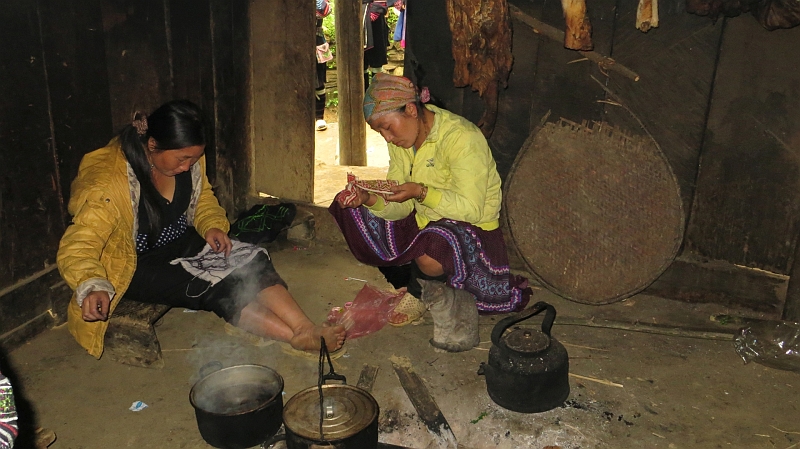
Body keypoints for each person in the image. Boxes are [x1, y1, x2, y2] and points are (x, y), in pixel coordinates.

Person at [57, 100, 345, 358]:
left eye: (193, 159)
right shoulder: (107, 183)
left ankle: (305, 328)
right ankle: (294, 338)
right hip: (132, 264)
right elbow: (79, 244)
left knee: (249, 258)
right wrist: (92, 284)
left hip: (181, 242)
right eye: (182, 159)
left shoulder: (189, 158)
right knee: (212, 285)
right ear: (153, 144)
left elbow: (203, 198)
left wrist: (211, 226)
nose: (188, 166)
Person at [329, 73, 529, 327]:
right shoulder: (401, 143)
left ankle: (419, 290)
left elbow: (472, 210)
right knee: (351, 209)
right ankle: (416, 277)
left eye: (387, 127)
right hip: (425, 221)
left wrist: (421, 192)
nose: (387, 138)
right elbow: (402, 208)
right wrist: (369, 199)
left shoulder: (461, 137)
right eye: (379, 132)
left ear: (411, 110)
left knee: (431, 245)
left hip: (473, 230)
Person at [315, 0, 333, 131]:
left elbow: (324, 10)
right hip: (295, 41)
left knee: (319, 81)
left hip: (317, 42)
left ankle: (319, 117)